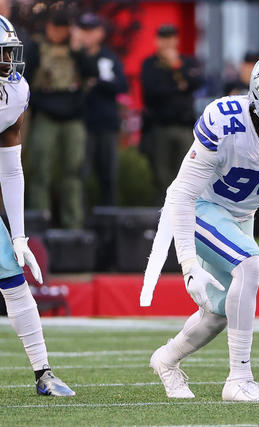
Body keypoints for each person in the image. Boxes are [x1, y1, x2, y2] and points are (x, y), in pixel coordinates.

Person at [142, 52, 259, 401]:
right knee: (250, 263)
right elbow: (181, 194)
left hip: (240, 216)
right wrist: (188, 264)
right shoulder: (224, 121)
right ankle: (239, 379)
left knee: (220, 310)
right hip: (197, 207)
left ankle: (166, 360)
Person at [0, 14, 74, 396]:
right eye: (2, 55)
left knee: (13, 278)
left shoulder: (14, 92)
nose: (9, 62)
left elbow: (11, 169)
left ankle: (43, 373)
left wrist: (18, 235)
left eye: (9, 53)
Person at [25, 11, 97, 229]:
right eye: (54, 26)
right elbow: (25, 81)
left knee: (73, 173)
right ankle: (39, 225)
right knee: (39, 171)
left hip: (73, 118)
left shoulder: (76, 49)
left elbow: (92, 73)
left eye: (62, 27)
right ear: (47, 26)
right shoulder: (36, 47)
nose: (57, 31)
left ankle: (73, 227)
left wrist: (79, 51)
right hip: (45, 116)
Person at [140, 24, 203, 202]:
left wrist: (176, 65)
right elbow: (152, 91)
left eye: (171, 38)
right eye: (163, 38)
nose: (167, 42)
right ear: (157, 41)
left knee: (186, 173)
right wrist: (178, 86)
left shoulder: (187, 62)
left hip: (184, 126)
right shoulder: (150, 64)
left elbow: (196, 82)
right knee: (162, 176)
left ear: (176, 40)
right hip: (160, 127)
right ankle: (162, 218)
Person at [73, 12, 128, 206]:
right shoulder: (74, 55)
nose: (86, 35)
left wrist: (98, 82)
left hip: (106, 124)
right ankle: (80, 226)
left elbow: (121, 85)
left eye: (91, 31)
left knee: (108, 177)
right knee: (79, 177)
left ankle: (109, 227)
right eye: (83, 30)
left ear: (100, 33)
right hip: (80, 123)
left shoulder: (108, 57)